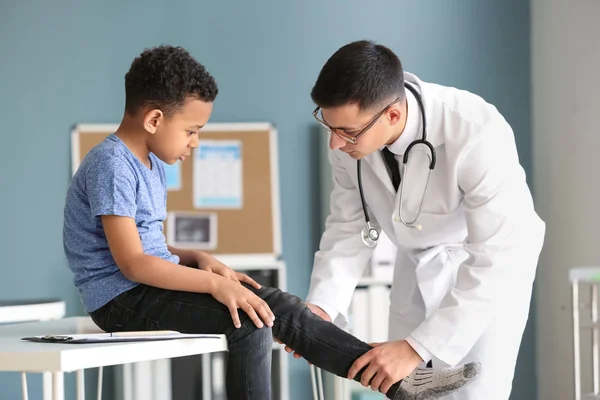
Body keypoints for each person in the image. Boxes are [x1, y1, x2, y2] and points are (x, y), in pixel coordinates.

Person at [62, 45, 480, 400]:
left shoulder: (148, 163)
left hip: (145, 285)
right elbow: (133, 263)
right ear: (154, 120)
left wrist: (196, 257)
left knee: (271, 302)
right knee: (247, 319)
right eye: (192, 130)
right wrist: (213, 283)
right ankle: (399, 382)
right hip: (121, 299)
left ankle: (399, 382)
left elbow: (147, 246)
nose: (195, 142)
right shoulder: (112, 165)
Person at [296, 40, 546, 399]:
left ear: (392, 115)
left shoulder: (475, 129)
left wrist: (416, 347)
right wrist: (321, 305)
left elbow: (498, 255)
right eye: (328, 125)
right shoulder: (347, 139)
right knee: (405, 392)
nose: (335, 143)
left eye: (347, 132)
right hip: (415, 264)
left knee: (475, 393)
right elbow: (349, 226)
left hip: (485, 274)